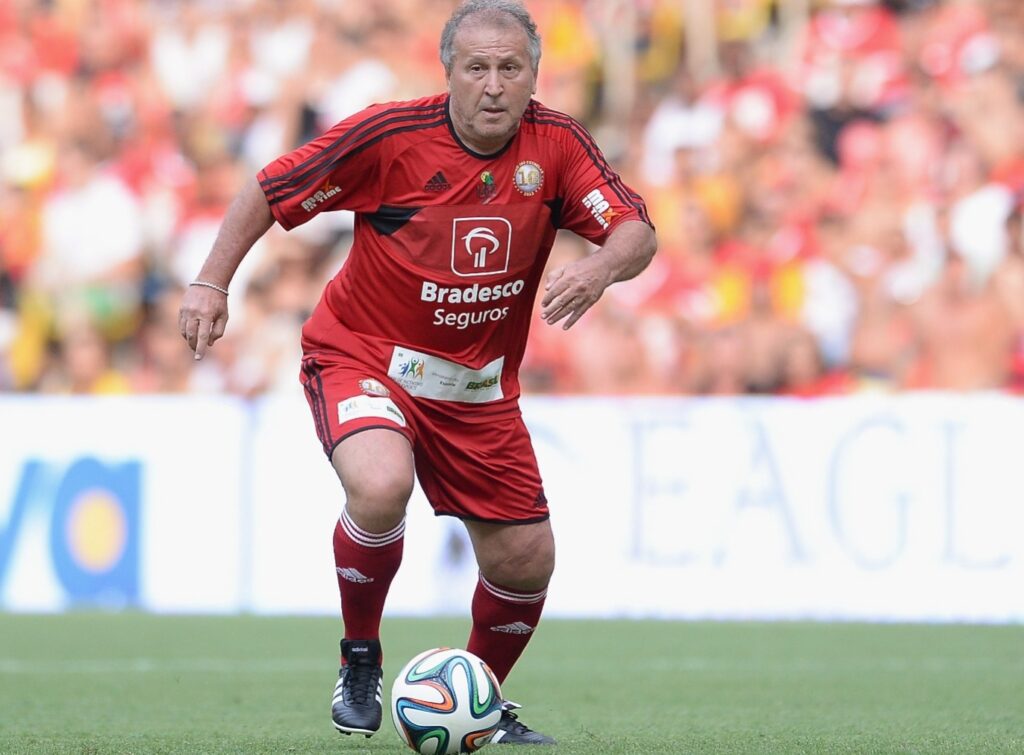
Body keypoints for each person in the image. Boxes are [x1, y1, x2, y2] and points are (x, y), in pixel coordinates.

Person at [178, 0, 656, 745]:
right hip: (363, 355)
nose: (494, 85)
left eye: (511, 68)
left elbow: (636, 231)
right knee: (379, 480)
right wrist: (212, 281)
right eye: (477, 68)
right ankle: (360, 656)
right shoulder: (390, 136)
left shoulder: (557, 144)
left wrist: (598, 266)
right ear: (449, 73)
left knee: (527, 560)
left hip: (476, 390)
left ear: (534, 74)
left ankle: (476, 702)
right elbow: (271, 191)